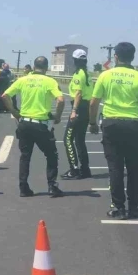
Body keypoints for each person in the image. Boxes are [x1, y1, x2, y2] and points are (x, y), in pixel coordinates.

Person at [89, 42, 138, 220]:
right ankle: (134, 206)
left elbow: (93, 102)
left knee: (115, 168)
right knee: (135, 167)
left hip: (111, 124)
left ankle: (118, 207)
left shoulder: (105, 75)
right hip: (134, 126)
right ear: (133, 57)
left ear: (116, 57)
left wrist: (92, 123)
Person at [1, 56, 65, 198]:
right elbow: (60, 100)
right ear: (46, 67)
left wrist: (15, 112)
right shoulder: (50, 81)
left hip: (24, 123)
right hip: (41, 124)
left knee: (25, 156)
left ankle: (23, 187)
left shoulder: (23, 80)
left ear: (34, 66)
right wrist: (58, 116)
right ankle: (52, 186)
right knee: (51, 155)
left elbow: (5, 96)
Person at [62, 50, 94, 180]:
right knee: (80, 141)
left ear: (75, 60)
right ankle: (85, 169)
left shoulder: (78, 75)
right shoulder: (88, 74)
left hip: (79, 109)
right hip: (86, 109)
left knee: (67, 139)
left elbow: (78, 94)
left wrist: (74, 110)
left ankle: (74, 169)